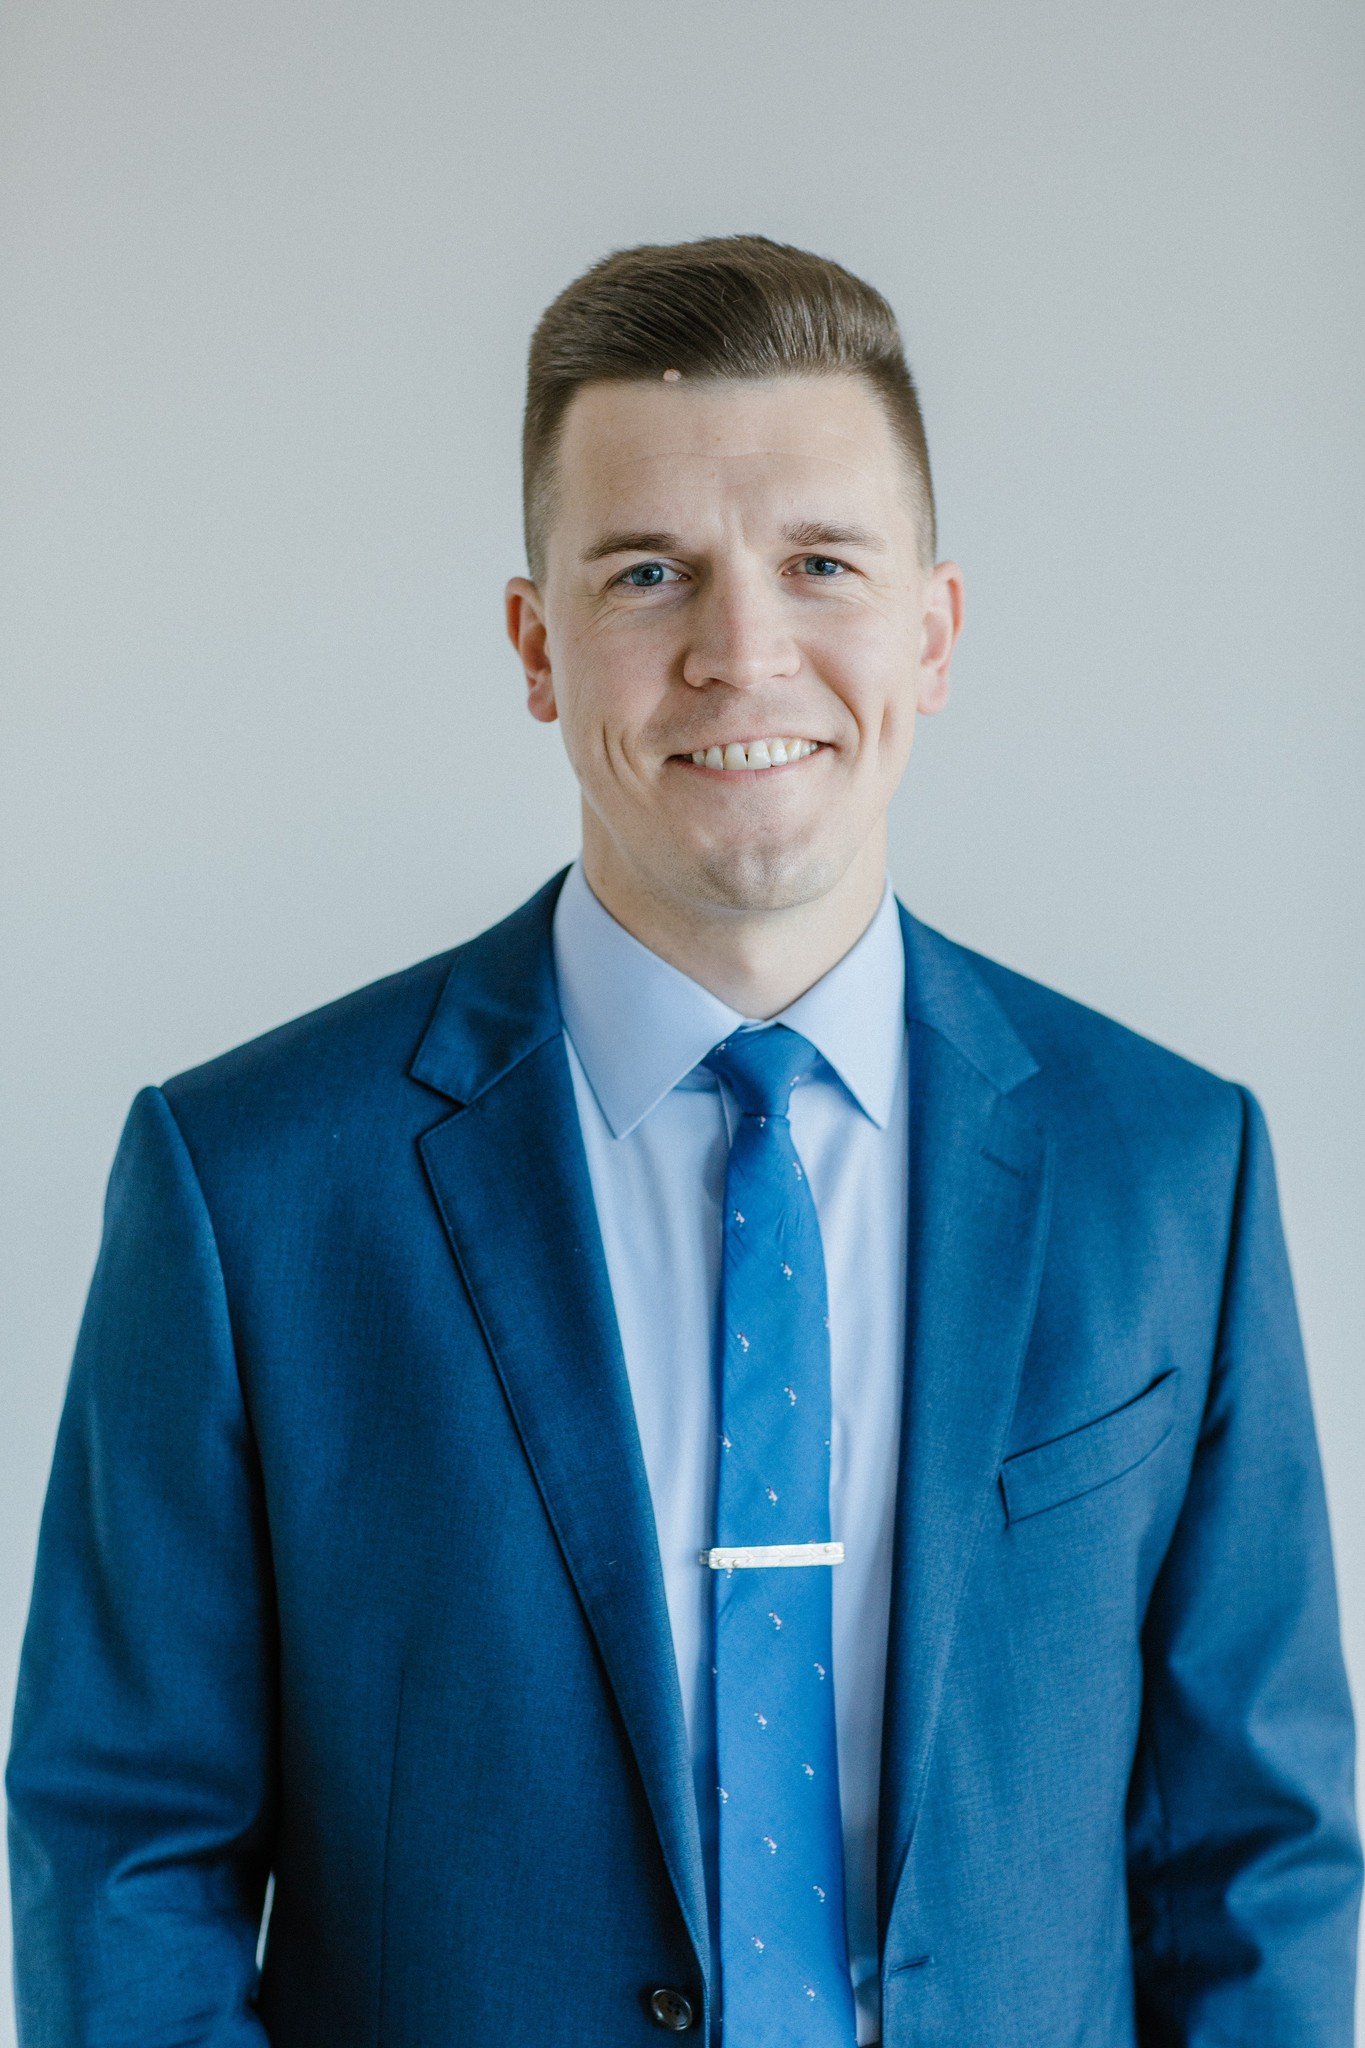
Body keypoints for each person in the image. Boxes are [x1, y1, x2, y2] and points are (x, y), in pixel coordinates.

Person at [6, 233, 1361, 2048]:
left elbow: (1255, 1867)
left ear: (934, 631)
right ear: (535, 645)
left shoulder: (1169, 1169)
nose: (742, 654)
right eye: (650, 573)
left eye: (820, 565)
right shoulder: (249, 1186)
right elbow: (122, 1854)